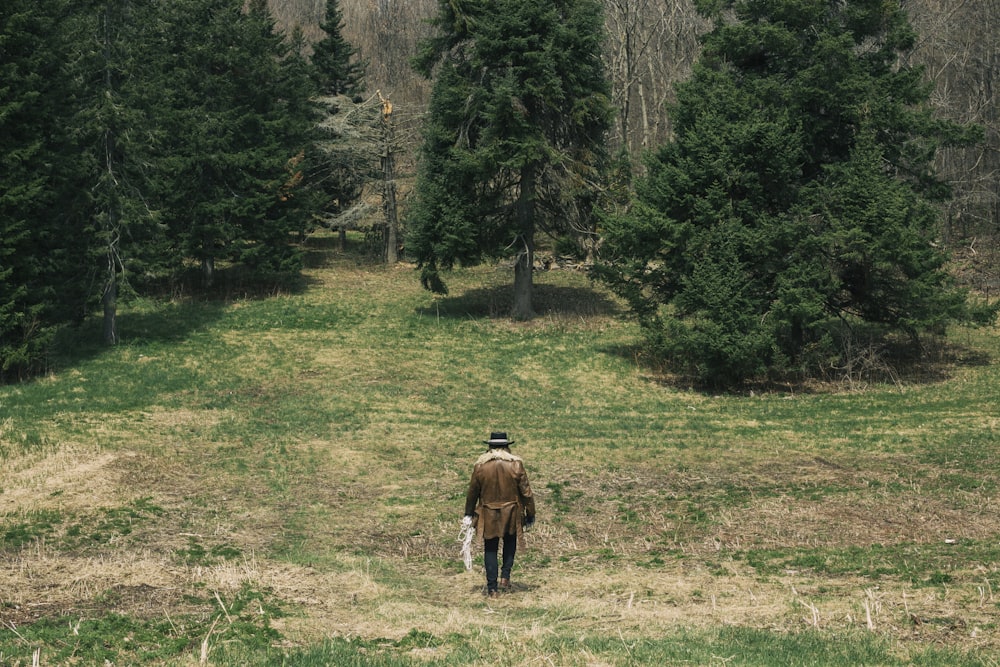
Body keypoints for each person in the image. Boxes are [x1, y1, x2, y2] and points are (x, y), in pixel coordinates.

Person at [464, 431, 536, 598]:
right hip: (511, 511)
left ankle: (492, 589)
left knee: (490, 548)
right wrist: (530, 513)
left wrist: (468, 513)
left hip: (488, 512)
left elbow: (472, 492)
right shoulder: (516, 465)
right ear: (507, 447)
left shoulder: (480, 467)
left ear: (489, 447)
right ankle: (505, 577)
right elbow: (526, 492)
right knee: (510, 542)